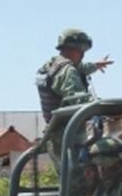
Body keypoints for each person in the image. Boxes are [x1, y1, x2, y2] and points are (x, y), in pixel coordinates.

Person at [35, 28, 114, 170]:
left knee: (68, 184)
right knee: (79, 185)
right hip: (69, 137)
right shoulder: (68, 71)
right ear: (78, 49)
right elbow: (78, 100)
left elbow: (79, 68)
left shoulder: (53, 64)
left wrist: (95, 66)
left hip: (55, 135)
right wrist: (100, 108)